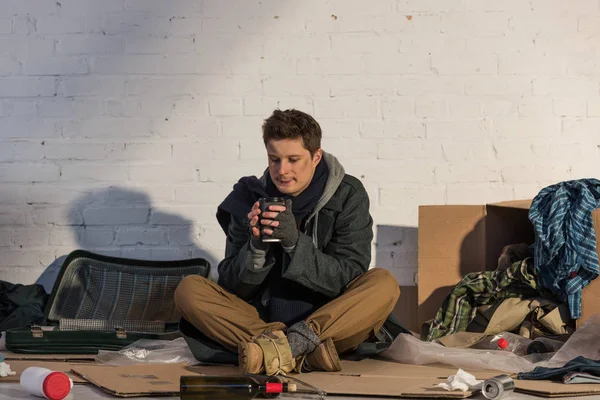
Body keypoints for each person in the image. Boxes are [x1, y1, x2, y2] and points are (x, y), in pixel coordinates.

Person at [175, 109, 400, 375]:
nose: (282, 171)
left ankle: (279, 350)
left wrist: (294, 242)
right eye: (274, 159)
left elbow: (347, 276)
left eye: (294, 160)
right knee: (189, 289)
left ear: (316, 156)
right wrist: (256, 248)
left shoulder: (347, 194)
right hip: (260, 320)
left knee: (383, 283)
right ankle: (298, 352)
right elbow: (232, 286)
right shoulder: (249, 196)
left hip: (327, 320)